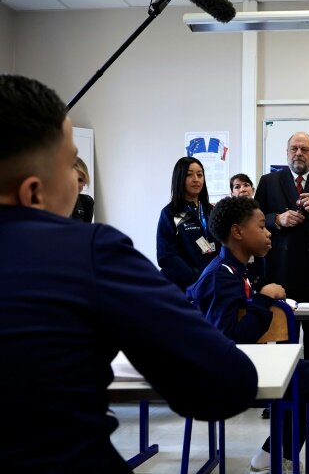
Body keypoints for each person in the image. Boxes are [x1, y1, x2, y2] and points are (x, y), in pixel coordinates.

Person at [0, 74, 259, 473]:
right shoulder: (89, 251)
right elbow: (226, 383)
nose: (79, 181)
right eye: (72, 165)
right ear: (33, 192)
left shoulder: (204, 215)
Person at [186, 196, 309, 474]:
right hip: (229, 375)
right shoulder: (220, 275)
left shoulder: (238, 270)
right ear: (238, 232)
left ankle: (273, 453)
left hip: (245, 366)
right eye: (262, 226)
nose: (268, 232)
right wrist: (263, 301)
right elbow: (229, 340)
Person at [254, 132, 309, 362]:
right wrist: (277, 220)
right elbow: (255, 220)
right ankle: (285, 395)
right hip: (279, 274)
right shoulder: (268, 181)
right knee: (283, 342)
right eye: (294, 149)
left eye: (304, 149)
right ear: (287, 153)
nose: (299, 153)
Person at [156, 156, 217, 290]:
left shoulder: (212, 211)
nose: (196, 179)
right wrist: (196, 276)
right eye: (189, 175)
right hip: (182, 287)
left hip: (210, 283)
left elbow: (222, 246)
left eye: (200, 175)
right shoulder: (170, 213)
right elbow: (166, 256)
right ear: (180, 178)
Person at [70, 156, 94, 222]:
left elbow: (86, 231)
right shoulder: (48, 202)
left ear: (85, 182)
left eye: (80, 180)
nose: (75, 184)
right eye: (72, 179)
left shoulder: (87, 202)